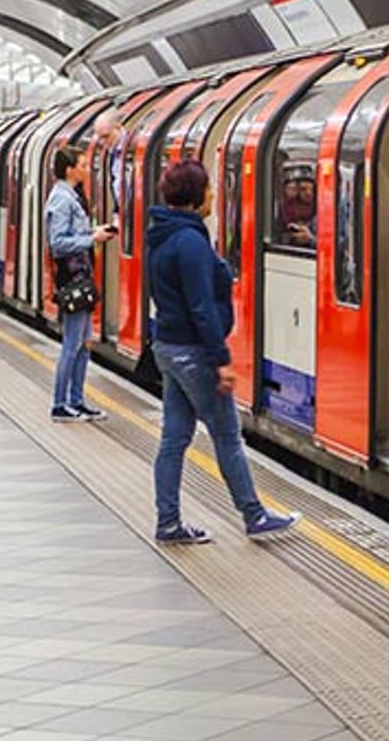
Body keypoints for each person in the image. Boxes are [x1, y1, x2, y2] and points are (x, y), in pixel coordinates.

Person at [147, 158, 301, 544]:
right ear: (197, 196)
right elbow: (200, 307)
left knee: (175, 438)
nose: (214, 195)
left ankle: (168, 522)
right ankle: (254, 515)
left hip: (167, 345)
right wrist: (221, 360)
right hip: (194, 352)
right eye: (210, 189)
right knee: (227, 435)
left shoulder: (162, 236)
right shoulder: (190, 243)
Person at [44, 146, 114, 423]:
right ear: (70, 169)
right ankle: (60, 404)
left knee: (84, 343)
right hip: (72, 279)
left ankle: (77, 400)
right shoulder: (62, 199)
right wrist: (91, 240)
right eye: (83, 165)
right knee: (72, 344)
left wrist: (93, 232)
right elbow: (58, 243)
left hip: (80, 277)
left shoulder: (70, 197)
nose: (86, 169)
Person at [93, 108, 125, 218]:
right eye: (100, 138)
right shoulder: (112, 155)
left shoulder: (130, 150)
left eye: (106, 136)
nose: (104, 142)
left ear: (118, 127)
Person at [281, 171, 317, 247]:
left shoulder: (320, 209)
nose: (308, 193)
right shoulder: (287, 208)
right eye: (303, 189)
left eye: (311, 189)